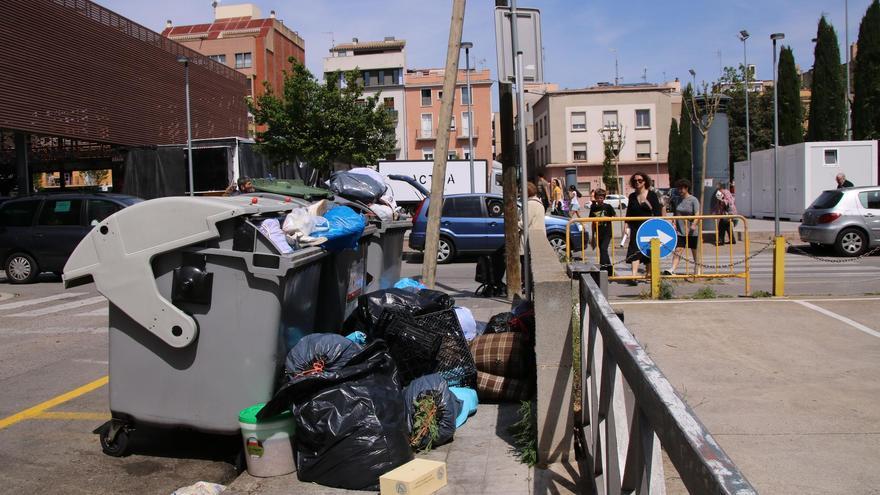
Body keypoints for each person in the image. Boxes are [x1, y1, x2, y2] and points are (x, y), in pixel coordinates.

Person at [625, 172, 662, 284]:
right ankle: (634, 276)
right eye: (635, 181)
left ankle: (649, 274)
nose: (637, 182)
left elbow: (657, 212)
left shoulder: (652, 195)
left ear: (645, 181)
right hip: (635, 226)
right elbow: (629, 213)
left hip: (649, 226)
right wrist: (626, 226)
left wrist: (648, 204)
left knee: (648, 251)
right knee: (634, 250)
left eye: (640, 180)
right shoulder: (632, 196)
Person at [665, 179, 701, 276]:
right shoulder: (677, 199)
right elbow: (676, 212)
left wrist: (694, 224)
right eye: (678, 188)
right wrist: (673, 220)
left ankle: (697, 268)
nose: (680, 190)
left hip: (692, 231)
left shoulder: (693, 200)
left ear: (687, 188)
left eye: (682, 188)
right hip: (680, 230)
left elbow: (697, 213)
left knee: (694, 251)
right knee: (678, 249)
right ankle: (672, 269)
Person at [588, 188, 615, 277]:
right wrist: (593, 236)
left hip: (607, 232)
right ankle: (610, 269)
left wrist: (609, 218)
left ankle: (603, 269)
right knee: (603, 251)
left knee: (603, 249)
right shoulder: (593, 207)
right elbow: (592, 222)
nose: (600, 199)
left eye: (601, 198)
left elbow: (615, 216)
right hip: (598, 232)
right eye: (598, 198)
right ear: (595, 198)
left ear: (604, 198)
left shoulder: (608, 207)